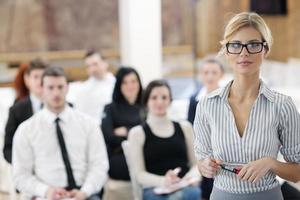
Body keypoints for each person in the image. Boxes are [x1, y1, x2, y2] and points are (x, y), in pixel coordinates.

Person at [194, 12, 300, 200]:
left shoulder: (283, 106)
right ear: (226, 51)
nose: (244, 52)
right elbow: (202, 163)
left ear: (265, 50)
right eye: (235, 45)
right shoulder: (206, 105)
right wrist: (206, 166)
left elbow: (298, 172)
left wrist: (271, 163)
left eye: (253, 44)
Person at [12, 66, 109, 200]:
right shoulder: (26, 130)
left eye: (60, 87)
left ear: (67, 87)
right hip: (45, 195)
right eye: (50, 88)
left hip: (84, 194)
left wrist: (84, 192)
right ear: (42, 89)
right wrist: (46, 191)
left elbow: (99, 165)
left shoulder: (88, 125)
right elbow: (20, 175)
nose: (56, 93)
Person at [128, 80, 201, 200]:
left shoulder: (185, 127)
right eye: (154, 97)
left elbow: (197, 164)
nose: (159, 102)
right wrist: (164, 181)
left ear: (170, 101)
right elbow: (139, 174)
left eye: (164, 97)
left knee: (190, 194)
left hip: (184, 185)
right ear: (146, 101)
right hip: (154, 188)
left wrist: (189, 178)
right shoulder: (137, 133)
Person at [101, 67, 144, 200]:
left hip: (144, 152)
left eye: (133, 81)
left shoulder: (148, 106)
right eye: (125, 82)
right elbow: (108, 136)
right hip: (119, 156)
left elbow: (150, 133)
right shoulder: (110, 109)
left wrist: (126, 130)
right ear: (119, 85)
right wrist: (136, 135)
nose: (130, 86)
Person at [187, 58, 224, 200]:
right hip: (203, 149)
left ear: (221, 74)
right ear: (201, 75)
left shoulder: (228, 97)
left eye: (214, 72)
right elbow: (190, 128)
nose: (210, 76)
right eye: (206, 72)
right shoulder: (194, 99)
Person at [3, 58, 48, 163]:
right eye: (36, 77)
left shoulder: (63, 107)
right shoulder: (16, 111)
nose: (40, 81)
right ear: (27, 79)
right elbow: (8, 148)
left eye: (43, 77)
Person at [67, 50, 115, 123]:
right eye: (88, 66)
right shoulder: (83, 89)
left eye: (95, 64)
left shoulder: (117, 84)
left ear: (105, 63)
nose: (93, 69)